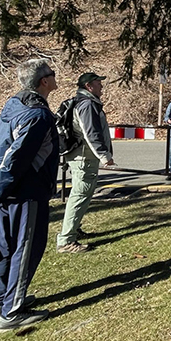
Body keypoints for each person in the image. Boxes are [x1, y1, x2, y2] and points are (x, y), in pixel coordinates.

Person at [0, 58, 59, 333]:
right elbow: (15, 158)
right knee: (25, 249)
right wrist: (0, 188)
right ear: (43, 82)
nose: (55, 76)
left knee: (5, 248)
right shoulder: (37, 115)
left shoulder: (12, 105)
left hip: (8, 192)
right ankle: (11, 313)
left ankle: (1, 302)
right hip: (27, 192)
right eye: (52, 73)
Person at [56, 72, 115, 253]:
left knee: (80, 194)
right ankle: (66, 241)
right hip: (84, 158)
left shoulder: (85, 103)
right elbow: (91, 133)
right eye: (98, 83)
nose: (102, 87)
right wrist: (104, 156)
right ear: (89, 86)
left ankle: (74, 229)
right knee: (80, 195)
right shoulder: (87, 105)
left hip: (82, 156)